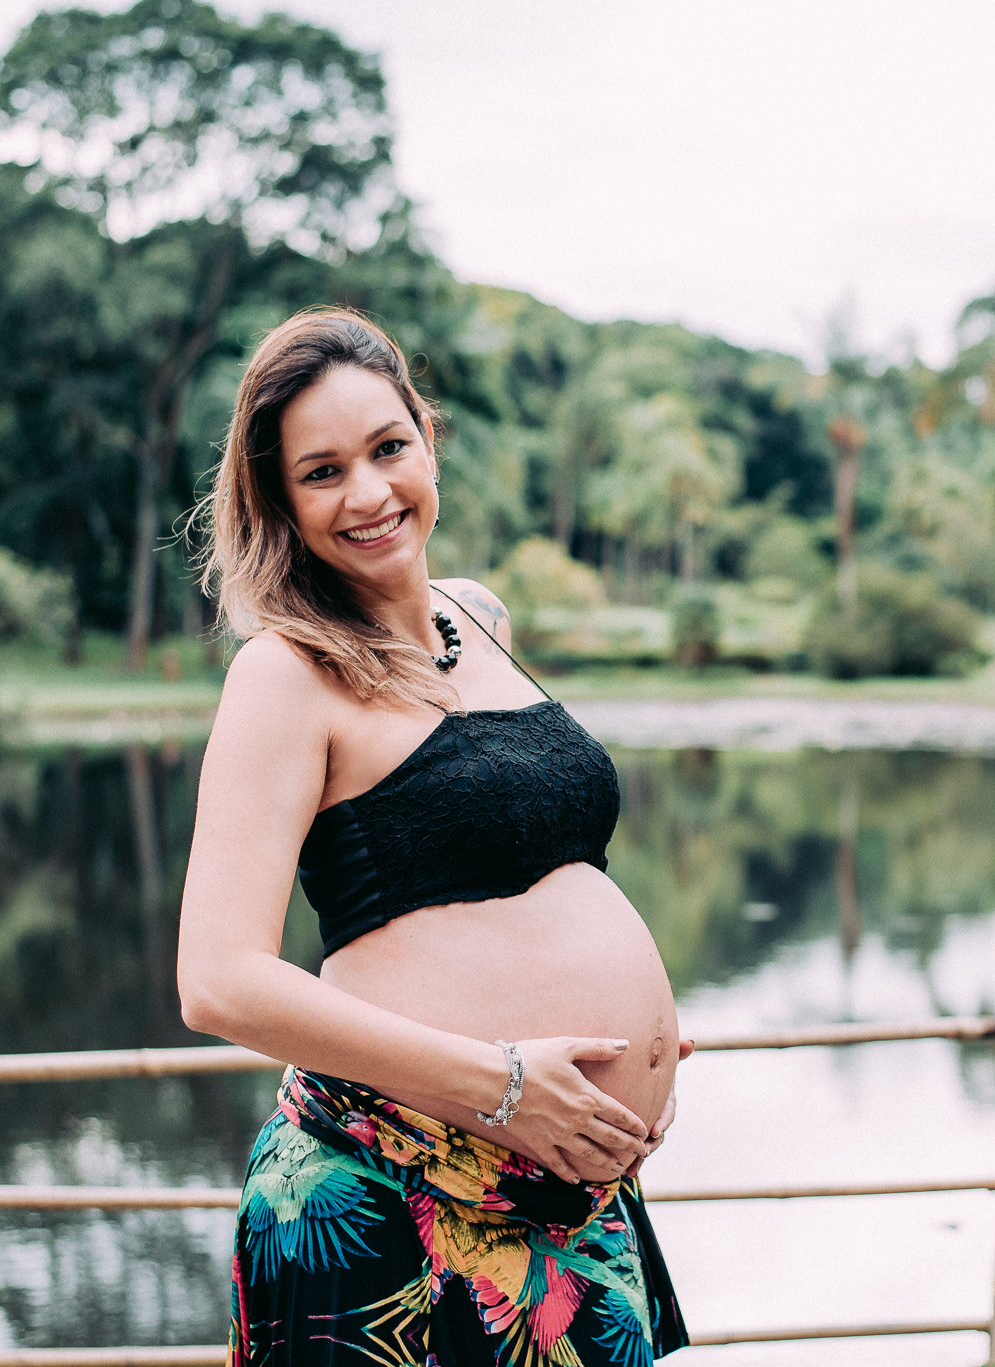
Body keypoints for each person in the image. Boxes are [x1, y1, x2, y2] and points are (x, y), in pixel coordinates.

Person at [178, 307, 690, 1366]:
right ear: (277, 499)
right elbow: (218, 980)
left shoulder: (482, 618)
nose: (366, 492)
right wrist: (501, 1078)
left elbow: (524, 869)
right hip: (389, 1195)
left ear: (426, 435)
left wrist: (635, 1041)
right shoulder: (285, 672)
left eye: (386, 447)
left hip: (564, 1196)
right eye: (320, 472)